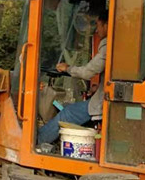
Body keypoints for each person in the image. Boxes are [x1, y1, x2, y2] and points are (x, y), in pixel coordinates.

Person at [37, 11, 108, 146]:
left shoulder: (108, 46)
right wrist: (100, 88)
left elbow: (87, 72)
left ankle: (36, 142)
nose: (96, 30)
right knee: (68, 107)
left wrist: (67, 68)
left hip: (103, 104)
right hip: (104, 98)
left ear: (107, 25)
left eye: (98, 25)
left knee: (67, 113)